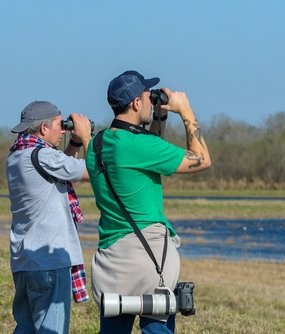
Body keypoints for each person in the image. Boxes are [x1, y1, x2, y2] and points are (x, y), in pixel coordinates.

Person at [85, 70, 211, 333]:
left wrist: (159, 116)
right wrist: (185, 111)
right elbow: (202, 159)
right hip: (150, 258)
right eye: (146, 94)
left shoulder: (97, 144)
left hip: (113, 259)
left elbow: (144, 149)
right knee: (156, 329)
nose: (149, 96)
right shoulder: (140, 147)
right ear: (136, 103)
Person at [6, 100, 92, 334]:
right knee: (50, 330)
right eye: (59, 124)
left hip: (25, 259)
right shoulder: (43, 157)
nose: (63, 129)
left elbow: (61, 170)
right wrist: (85, 138)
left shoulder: (18, 156)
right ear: (44, 128)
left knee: (26, 328)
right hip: (49, 261)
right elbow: (93, 169)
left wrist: (72, 142)